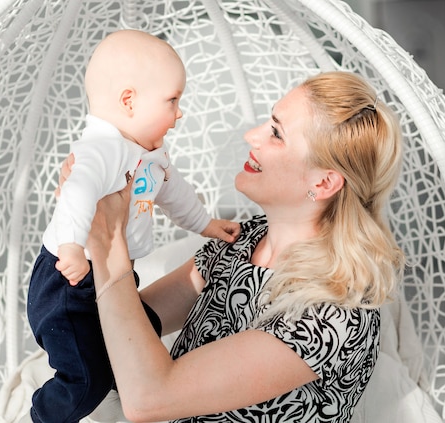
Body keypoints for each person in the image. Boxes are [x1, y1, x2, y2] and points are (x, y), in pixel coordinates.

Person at [74, 71, 405, 422]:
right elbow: (121, 327)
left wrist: (108, 241)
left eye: (276, 133)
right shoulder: (243, 240)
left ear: (323, 182)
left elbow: (149, 399)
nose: (252, 136)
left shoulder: (335, 308)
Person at [25, 29, 240, 423]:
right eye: (172, 100)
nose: (179, 113)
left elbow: (176, 193)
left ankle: (105, 396)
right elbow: (76, 191)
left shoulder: (150, 154)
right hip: (69, 282)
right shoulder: (103, 148)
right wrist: (72, 246)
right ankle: (40, 416)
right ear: (129, 101)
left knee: (124, 347)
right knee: (85, 379)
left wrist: (206, 224)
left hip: (113, 275)